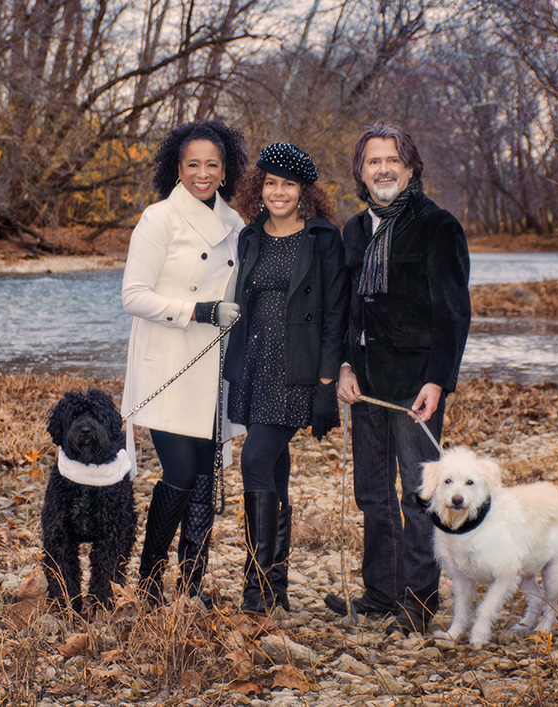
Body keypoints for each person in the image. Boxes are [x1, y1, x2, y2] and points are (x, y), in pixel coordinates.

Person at [324, 123, 471, 634]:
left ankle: (418, 602)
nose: (383, 169)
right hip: (364, 382)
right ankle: (381, 594)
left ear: (410, 168)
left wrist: (438, 381)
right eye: (373, 162)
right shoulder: (353, 231)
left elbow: (453, 313)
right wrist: (342, 364)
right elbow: (345, 309)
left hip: (415, 387)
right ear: (361, 172)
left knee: (418, 493)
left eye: (393, 160)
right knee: (372, 493)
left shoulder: (438, 226)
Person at [121, 120, 248, 609]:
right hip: (168, 364)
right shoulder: (158, 219)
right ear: (177, 167)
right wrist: (197, 311)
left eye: (212, 165)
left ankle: (190, 586)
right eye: (193, 164)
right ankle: (152, 582)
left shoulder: (235, 224)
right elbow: (133, 295)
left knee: (204, 475)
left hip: (213, 366)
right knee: (179, 471)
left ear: (224, 170)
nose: (202, 173)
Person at [225, 142, 347, 614]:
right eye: (271, 183)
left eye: (289, 185)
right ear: (260, 187)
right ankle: (276, 589)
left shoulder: (322, 239)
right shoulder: (250, 237)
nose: (279, 192)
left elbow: (335, 314)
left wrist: (325, 382)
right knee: (274, 471)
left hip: (297, 371)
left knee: (255, 460)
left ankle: (255, 592)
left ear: (304, 192)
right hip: (255, 367)